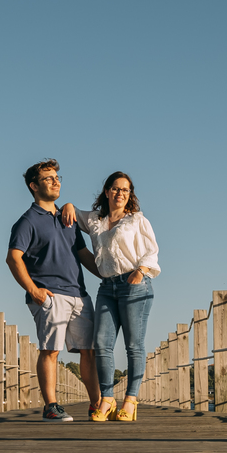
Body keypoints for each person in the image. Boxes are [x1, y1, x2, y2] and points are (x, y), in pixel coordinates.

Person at [6, 159, 103, 422]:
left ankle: (96, 405)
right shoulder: (27, 221)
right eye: (48, 178)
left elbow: (83, 254)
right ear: (34, 186)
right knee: (51, 350)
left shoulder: (67, 218)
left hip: (79, 294)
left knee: (89, 351)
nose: (55, 181)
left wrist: (109, 275)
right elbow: (13, 258)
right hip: (50, 295)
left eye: (57, 177)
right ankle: (51, 406)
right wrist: (34, 290)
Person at [61, 171, 158, 422]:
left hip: (134, 285)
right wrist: (68, 204)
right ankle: (107, 399)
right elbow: (74, 213)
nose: (120, 193)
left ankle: (131, 400)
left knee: (133, 345)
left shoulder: (137, 220)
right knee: (102, 344)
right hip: (106, 287)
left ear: (130, 194)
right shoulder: (95, 219)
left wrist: (140, 272)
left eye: (125, 190)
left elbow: (151, 251)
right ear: (106, 191)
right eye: (115, 188)